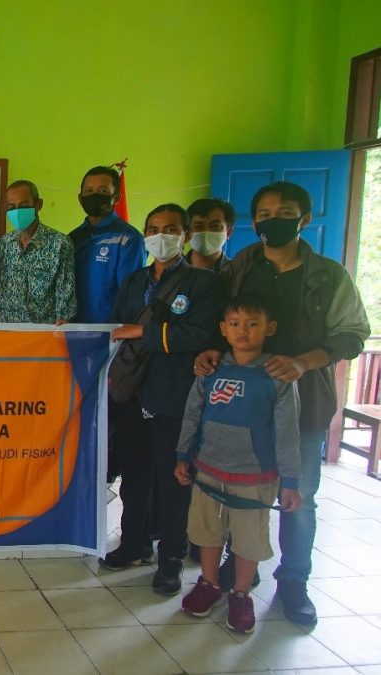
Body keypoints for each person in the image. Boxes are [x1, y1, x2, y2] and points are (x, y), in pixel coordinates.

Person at [194, 181, 371, 625]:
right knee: (237, 489)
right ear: (255, 221)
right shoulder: (242, 266)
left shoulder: (328, 275)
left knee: (298, 496)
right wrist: (213, 349)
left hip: (303, 400)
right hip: (240, 402)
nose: (274, 220)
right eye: (265, 214)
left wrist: (303, 362)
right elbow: (221, 319)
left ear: (304, 219)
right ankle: (240, 567)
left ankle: (294, 581)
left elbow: (353, 333)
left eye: (285, 213)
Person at [99, 204, 224, 597]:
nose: (160, 236)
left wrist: (144, 332)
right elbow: (117, 328)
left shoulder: (203, 284)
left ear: (185, 236)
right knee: (134, 476)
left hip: (174, 393)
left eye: (170, 229)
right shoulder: (135, 280)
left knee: (173, 482)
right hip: (131, 392)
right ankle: (134, 543)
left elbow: (199, 334)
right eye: (153, 229)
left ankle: (171, 557)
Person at [175, 296, 303, 634]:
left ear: (269, 328)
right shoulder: (210, 369)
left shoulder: (277, 375)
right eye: (235, 324)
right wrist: (183, 455)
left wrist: (290, 480)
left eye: (252, 324)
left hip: (254, 477)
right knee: (207, 532)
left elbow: (287, 432)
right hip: (208, 470)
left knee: (248, 540)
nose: (242, 331)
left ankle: (241, 594)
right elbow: (192, 414)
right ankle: (208, 584)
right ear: (223, 329)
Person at [0, 179, 77, 324]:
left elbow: (65, 290)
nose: (17, 211)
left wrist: (62, 321)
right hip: (5, 329)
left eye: (23, 205)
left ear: (38, 205)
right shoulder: (2, 244)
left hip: (41, 331)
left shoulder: (60, 244)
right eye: (11, 207)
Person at [69, 166, 146, 323]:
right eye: (89, 191)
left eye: (103, 191)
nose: (94, 195)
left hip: (110, 331)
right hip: (71, 329)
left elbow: (130, 296)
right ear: (80, 198)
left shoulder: (129, 239)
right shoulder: (72, 238)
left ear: (116, 198)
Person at [186, 198, 236, 271]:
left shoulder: (237, 273)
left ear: (228, 232)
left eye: (215, 226)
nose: (206, 232)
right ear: (187, 232)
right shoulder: (171, 271)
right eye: (198, 227)